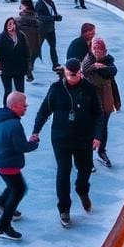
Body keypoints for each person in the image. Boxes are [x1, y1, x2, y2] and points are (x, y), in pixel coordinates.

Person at [31, 58, 103, 228]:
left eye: (75, 75)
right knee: (63, 171)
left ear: (80, 73)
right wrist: (36, 131)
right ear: (64, 72)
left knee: (85, 169)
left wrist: (97, 136)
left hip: (83, 138)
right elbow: (44, 110)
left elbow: (98, 115)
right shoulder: (56, 89)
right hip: (61, 138)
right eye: (69, 75)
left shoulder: (89, 89)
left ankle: (82, 190)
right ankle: (64, 208)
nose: (72, 78)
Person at [0, 91, 39, 240]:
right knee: (19, 190)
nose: (26, 107)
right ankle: (3, 226)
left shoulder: (1, 116)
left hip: (1, 160)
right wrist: (34, 143)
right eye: (24, 105)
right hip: (8, 163)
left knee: (13, 186)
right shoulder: (14, 125)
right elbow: (21, 147)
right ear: (15, 106)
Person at [81, 37, 118, 167]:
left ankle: (102, 151)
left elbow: (112, 72)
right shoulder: (88, 60)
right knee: (90, 128)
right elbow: (84, 71)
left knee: (103, 127)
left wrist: (99, 68)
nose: (97, 51)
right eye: (95, 48)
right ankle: (87, 157)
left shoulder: (109, 61)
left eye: (100, 49)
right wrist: (94, 66)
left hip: (105, 98)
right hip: (90, 99)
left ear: (104, 50)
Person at [0, 17, 30, 104]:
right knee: (8, 91)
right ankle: (6, 109)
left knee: (20, 91)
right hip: (6, 69)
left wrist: (27, 68)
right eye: (9, 24)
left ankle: (20, 108)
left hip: (19, 69)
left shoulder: (21, 36)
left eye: (13, 24)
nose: (11, 26)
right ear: (6, 26)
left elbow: (27, 53)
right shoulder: (1, 37)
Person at [35, 0, 63, 71]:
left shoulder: (51, 2)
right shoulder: (39, 3)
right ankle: (29, 65)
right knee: (37, 48)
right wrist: (52, 18)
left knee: (53, 46)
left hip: (51, 29)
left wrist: (57, 17)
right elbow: (39, 17)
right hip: (42, 29)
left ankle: (55, 65)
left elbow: (54, 14)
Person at [16, 0, 41, 80]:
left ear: (26, 6)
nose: (20, 6)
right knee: (29, 57)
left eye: (22, 5)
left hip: (24, 41)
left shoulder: (21, 19)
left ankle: (28, 72)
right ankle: (29, 71)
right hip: (34, 41)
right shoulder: (35, 16)